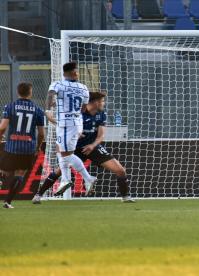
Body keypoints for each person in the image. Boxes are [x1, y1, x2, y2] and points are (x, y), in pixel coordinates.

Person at [35, 91, 135, 203]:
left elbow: (101, 135)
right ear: (95, 102)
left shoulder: (101, 114)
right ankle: (38, 195)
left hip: (92, 147)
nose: (104, 104)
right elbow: (60, 124)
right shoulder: (77, 113)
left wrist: (92, 146)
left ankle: (126, 197)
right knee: (58, 171)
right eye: (102, 101)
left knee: (120, 170)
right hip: (74, 148)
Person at [46, 61, 96, 196]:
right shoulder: (84, 88)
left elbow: (50, 95)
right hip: (76, 123)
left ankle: (85, 178)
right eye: (77, 71)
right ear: (74, 73)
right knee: (59, 148)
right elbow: (83, 109)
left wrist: (48, 108)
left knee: (65, 154)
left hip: (65, 124)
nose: (78, 73)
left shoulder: (57, 84)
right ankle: (65, 179)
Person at [0, 82, 45, 208]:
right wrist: (38, 147)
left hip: (12, 147)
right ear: (30, 92)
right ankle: (8, 202)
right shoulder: (38, 110)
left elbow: (2, 127)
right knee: (19, 174)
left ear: (17, 92)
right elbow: (41, 134)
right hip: (28, 148)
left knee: (3, 170)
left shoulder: (10, 106)